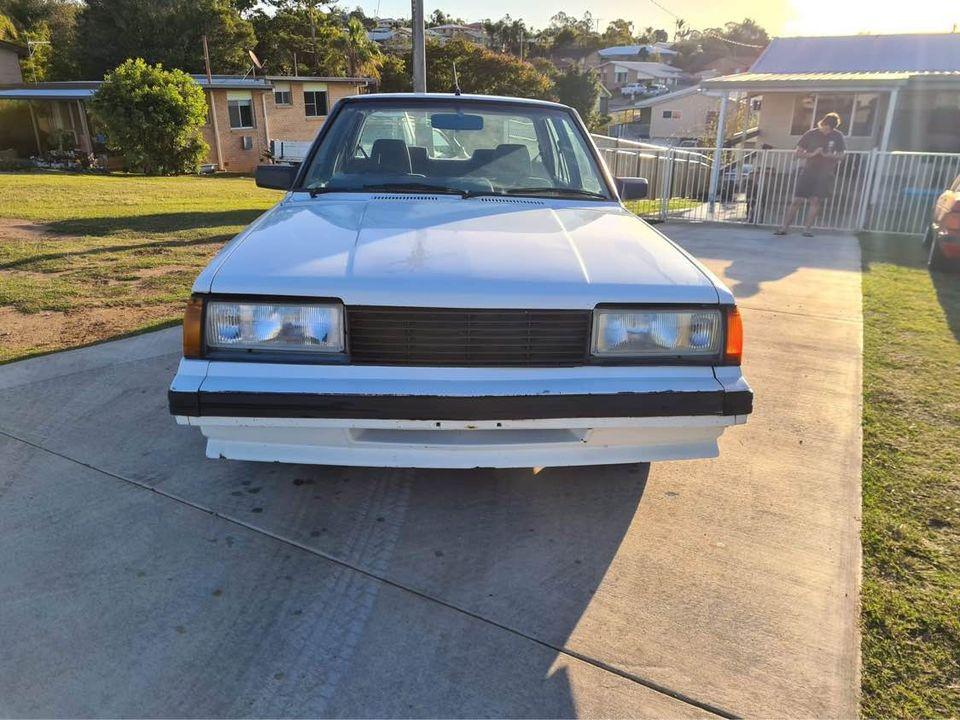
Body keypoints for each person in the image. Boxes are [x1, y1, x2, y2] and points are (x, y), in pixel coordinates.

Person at [775, 112, 845, 236]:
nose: (826, 131)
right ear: (822, 124)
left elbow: (841, 156)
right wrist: (812, 154)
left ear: (834, 128)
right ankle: (784, 228)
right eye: (825, 127)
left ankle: (807, 230)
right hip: (809, 171)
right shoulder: (811, 134)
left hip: (824, 173)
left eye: (829, 130)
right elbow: (797, 154)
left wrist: (826, 155)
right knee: (797, 200)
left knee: (815, 201)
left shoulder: (837, 136)